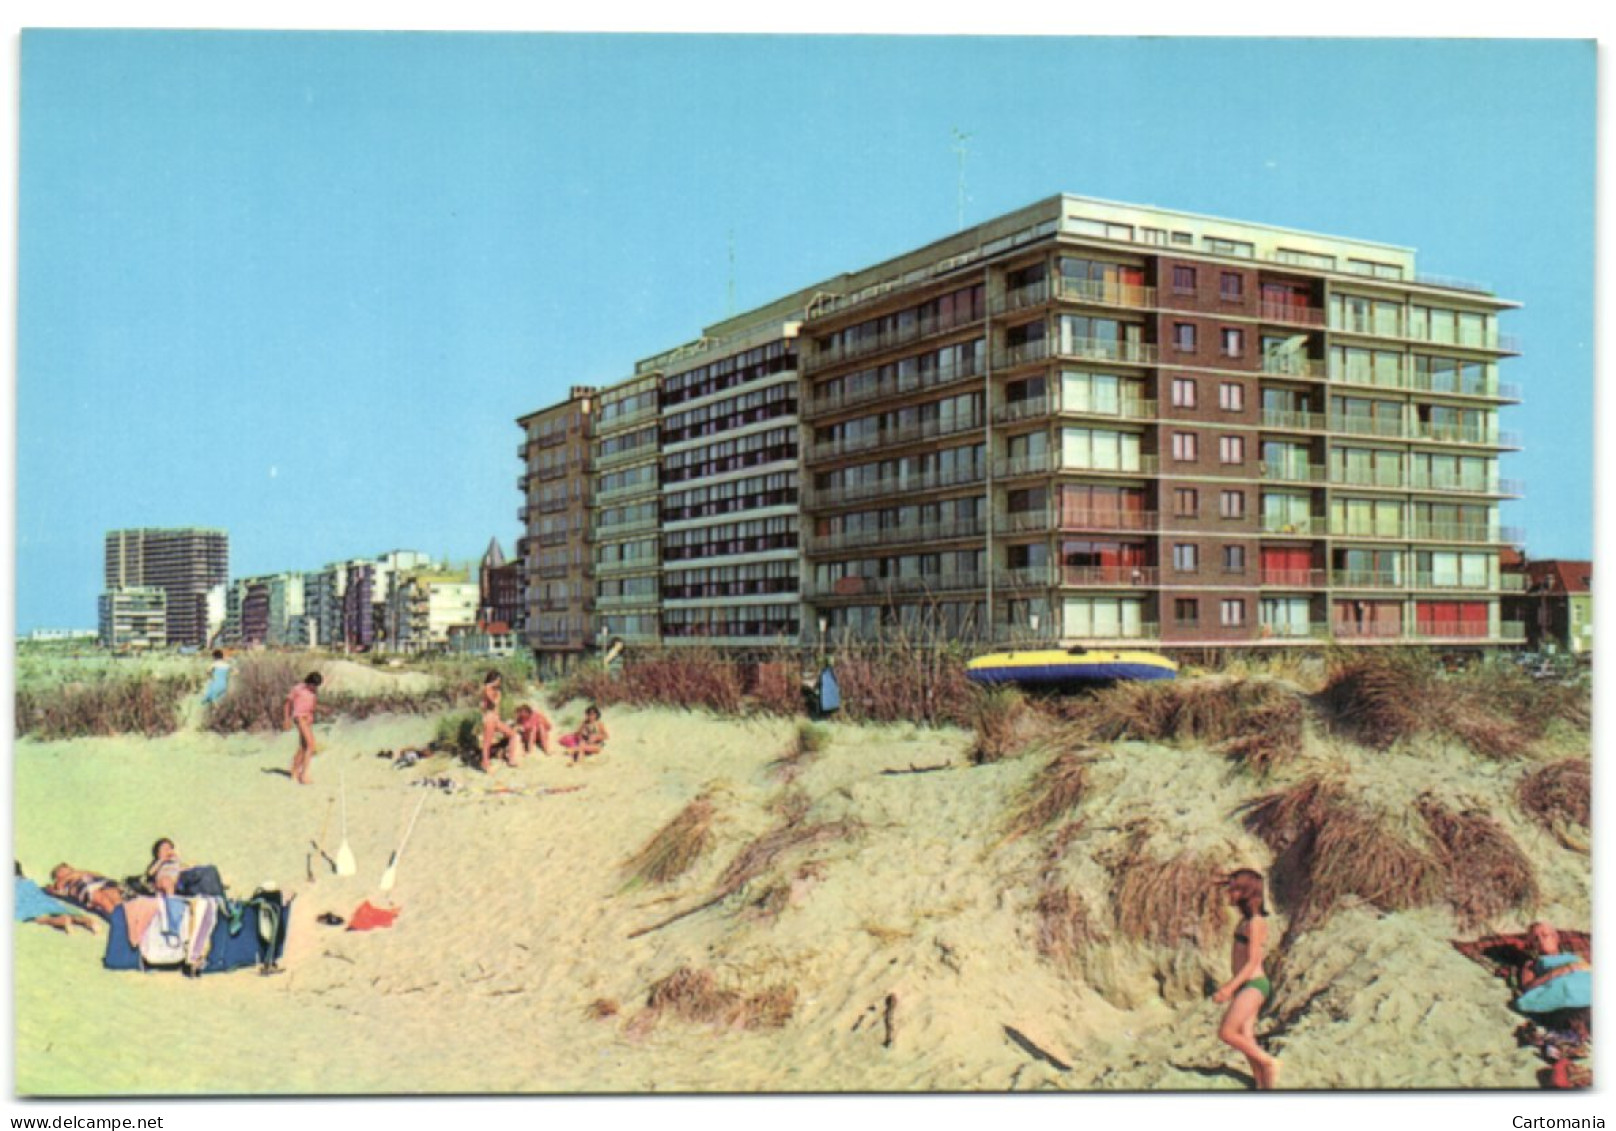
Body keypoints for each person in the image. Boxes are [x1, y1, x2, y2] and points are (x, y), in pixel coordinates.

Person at [1211, 869, 1282, 1090]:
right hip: (1246, 985)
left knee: (1227, 1032)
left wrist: (1229, 988)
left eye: (1233, 890)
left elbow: (1252, 961)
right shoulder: (1245, 920)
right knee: (1245, 1035)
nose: (1229, 895)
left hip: (1254, 985)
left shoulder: (1256, 922)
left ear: (1245, 892)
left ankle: (1269, 1062)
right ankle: (1263, 1084)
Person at [15, 862, 97, 933]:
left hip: (18, 891)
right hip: (31, 887)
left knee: (37, 918)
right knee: (54, 907)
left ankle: (61, 920)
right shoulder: (26, 880)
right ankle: (85, 920)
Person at [283, 672, 323, 785]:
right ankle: (304, 774)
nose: (314, 687)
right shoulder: (298, 689)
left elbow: (312, 704)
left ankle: (294, 771)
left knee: (303, 746)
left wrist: (319, 710)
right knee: (311, 744)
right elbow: (287, 703)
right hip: (300, 717)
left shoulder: (313, 692)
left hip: (308, 718)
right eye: (313, 685)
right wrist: (286, 719)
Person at [479, 671, 523, 772]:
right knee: (487, 743)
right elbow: (492, 702)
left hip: (496, 718)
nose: (499, 682)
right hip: (489, 717)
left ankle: (511, 759)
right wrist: (492, 687)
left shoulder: (496, 690)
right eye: (498, 680)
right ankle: (485, 764)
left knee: (513, 734)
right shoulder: (487, 688)